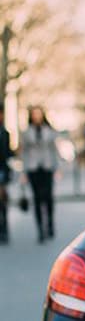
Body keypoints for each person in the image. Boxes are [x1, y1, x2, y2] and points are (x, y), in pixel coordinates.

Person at [20, 106, 59, 243]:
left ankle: (50, 225)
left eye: (39, 114)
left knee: (48, 198)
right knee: (37, 199)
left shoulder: (49, 130)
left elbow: (55, 150)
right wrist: (23, 172)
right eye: (34, 114)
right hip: (33, 168)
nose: (37, 117)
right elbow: (23, 153)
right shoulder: (26, 133)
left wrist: (57, 169)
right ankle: (40, 230)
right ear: (31, 116)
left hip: (47, 168)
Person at [0, 104, 12, 244]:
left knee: (2, 201)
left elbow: (7, 155)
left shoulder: (5, 133)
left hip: (2, 171)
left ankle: (4, 229)